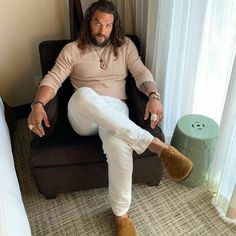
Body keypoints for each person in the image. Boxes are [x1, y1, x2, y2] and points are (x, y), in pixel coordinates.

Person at [27, 1, 192, 235]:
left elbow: (140, 71)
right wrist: (38, 103)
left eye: (108, 25)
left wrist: (154, 95)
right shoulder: (72, 50)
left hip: (116, 112)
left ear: (114, 27)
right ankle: (156, 145)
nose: (102, 29)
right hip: (83, 114)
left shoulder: (125, 46)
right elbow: (52, 79)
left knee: (119, 146)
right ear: (88, 22)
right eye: (97, 22)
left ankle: (121, 215)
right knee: (85, 95)